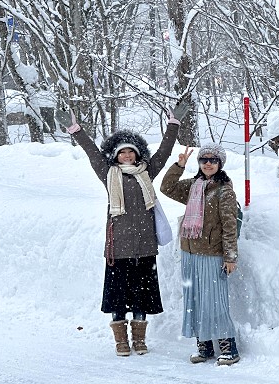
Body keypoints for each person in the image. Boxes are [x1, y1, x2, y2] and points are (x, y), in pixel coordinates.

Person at [55, 104, 186, 357]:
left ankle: (139, 340)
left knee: (142, 297)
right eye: (122, 152)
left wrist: (173, 125)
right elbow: (92, 151)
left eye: (131, 152)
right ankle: (121, 341)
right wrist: (75, 129)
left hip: (145, 246)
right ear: (115, 156)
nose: (127, 156)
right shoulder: (108, 174)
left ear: (138, 155)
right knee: (119, 298)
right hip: (118, 248)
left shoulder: (146, 172)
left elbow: (164, 152)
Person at [159, 142, 241, 365]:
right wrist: (179, 165)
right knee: (194, 300)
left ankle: (228, 347)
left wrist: (230, 256)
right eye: (204, 160)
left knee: (215, 301)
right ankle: (204, 346)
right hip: (189, 252)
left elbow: (229, 225)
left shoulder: (224, 191)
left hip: (212, 254)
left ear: (220, 164)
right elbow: (166, 188)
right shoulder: (193, 186)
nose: (208, 163)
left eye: (213, 160)